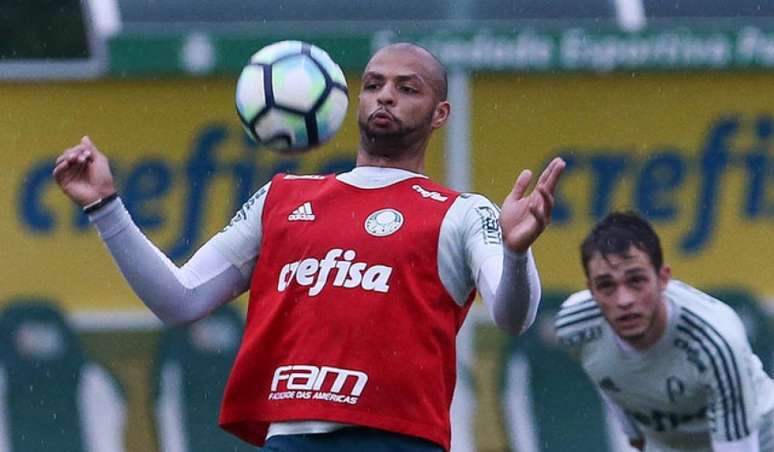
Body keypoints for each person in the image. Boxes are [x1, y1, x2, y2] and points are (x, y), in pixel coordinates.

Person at [53, 42, 565, 452]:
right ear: (354, 100)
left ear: (440, 113)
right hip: (292, 436)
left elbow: (512, 316)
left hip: (395, 439)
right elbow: (179, 299)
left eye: (407, 88)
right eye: (373, 85)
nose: (385, 96)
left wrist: (518, 254)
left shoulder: (461, 211)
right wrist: (106, 207)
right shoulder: (282, 197)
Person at [555, 211, 774, 452]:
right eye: (606, 285)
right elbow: (608, 376)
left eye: (636, 280)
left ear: (663, 278)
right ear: (591, 289)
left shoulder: (716, 344)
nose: (624, 300)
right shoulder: (575, 327)